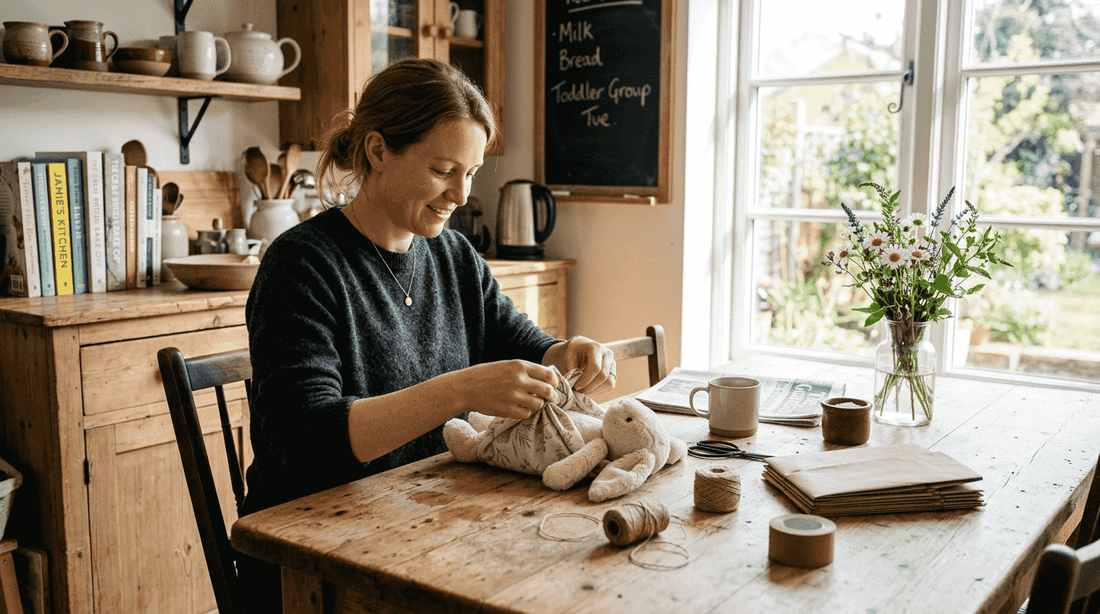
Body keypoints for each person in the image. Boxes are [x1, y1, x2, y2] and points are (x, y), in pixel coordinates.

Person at [240, 57, 617, 608]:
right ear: (377, 151)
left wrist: (564, 351)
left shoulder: (452, 254)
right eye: (444, 171)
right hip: (312, 558)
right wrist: (460, 391)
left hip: (423, 520)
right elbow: (305, 439)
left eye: (471, 173)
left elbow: (519, 340)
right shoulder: (301, 265)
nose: (461, 195)